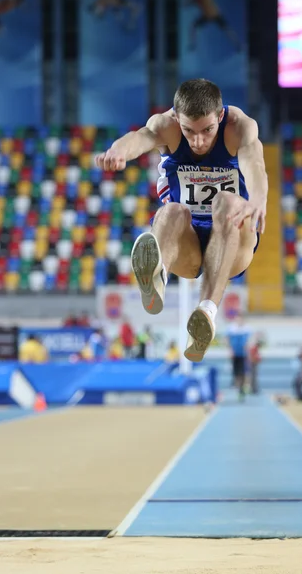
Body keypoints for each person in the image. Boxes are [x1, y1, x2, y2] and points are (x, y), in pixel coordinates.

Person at [95, 78, 268, 362]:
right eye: (189, 131)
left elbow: (256, 166)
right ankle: (157, 275)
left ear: (221, 115)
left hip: (233, 240)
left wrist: (259, 201)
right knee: (171, 211)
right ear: (176, 118)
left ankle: (207, 312)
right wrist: (117, 152)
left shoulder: (239, 126)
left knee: (226, 201)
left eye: (208, 130)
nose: (198, 141)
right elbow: (139, 137)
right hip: (186, 244)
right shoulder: (166, 126)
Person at [227, 312, 251, 401]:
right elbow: (227, 339)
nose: (239, 320)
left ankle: (243, 387)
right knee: (236, 373)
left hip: (243, 354)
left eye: (240, 318)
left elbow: (249, 340)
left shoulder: (247, 328)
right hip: (235, 354)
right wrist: (230, 350)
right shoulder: (231, 328)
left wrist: (248, 350)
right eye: (237, 318)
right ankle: (239, 389)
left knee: (244, 372)